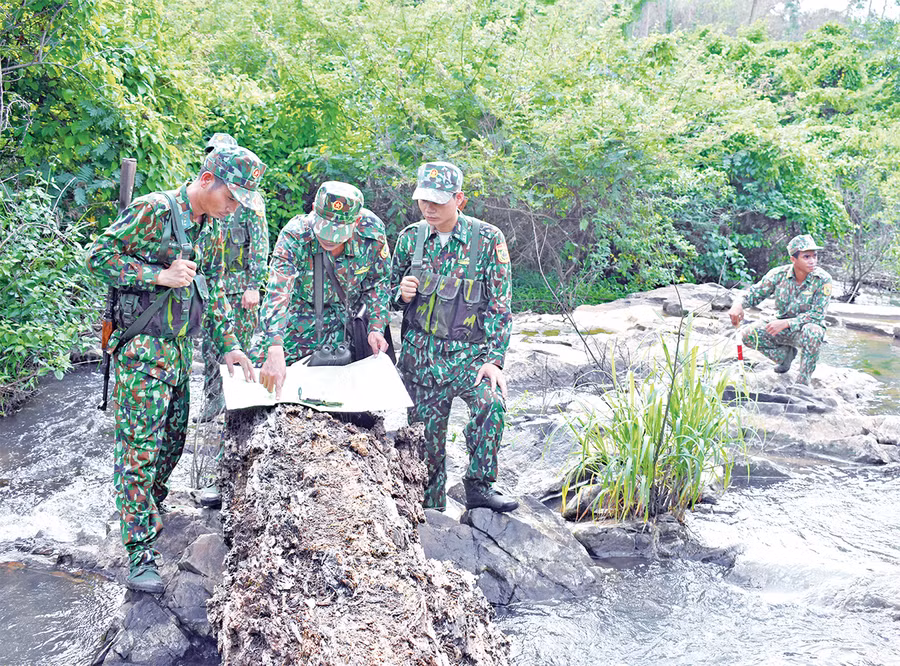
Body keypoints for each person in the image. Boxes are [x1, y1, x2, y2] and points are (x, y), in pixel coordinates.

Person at [85, 145, 262, 593]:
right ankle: (140, 551)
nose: (234, 206)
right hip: (142, 352)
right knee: (139, 452)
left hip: (180, 353)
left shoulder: (213, 227)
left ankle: (149, 510)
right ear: (206, 180)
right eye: (231, 196)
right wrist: (156, 275)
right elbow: (97, 256)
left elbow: (213, 292)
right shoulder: (154, 210)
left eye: (241, 201)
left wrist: (229, 348)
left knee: (172, 446)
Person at [391, 161, 517, 513]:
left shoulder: (488, 240)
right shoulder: (410, 239)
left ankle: (479, 486)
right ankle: (430, 507)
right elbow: (382, 297)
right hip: (421, 363)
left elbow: (500, 304)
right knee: (424, 449)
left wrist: (494, 361)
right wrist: (400, 295)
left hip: (470, 359)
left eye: (438, 202)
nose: (428, 209)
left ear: (459, 199)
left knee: (491, 405)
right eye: (423, 201)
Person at [257, 181, 391, 397]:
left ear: (356, 221)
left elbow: (378, 282)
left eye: (338, 232)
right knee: (260, 376)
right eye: (325, 229)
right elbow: (277, 292)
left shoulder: (372, 232)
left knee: (353, 397)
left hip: (346, 323)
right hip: (300, 319)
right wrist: (274, 346)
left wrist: (376, 326)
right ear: (313, 211)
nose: (329, 238)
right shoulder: (296, 235)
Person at [195, 134, 270, 509]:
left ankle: (231, 406)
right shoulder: (203, 202)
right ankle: (213, 399)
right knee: (212, 349)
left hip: (239, 286)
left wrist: (255, 284)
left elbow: (260, 243)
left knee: (238, 348)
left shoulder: (249, 203)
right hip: (211, 283)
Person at [728, 234, 832, 385]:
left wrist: (787, 323)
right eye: (806, 257)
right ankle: (785, 357)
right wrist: (738, 303)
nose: (813, 261)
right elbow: (754, 294)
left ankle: (803, 381)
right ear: (793, 259)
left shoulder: (823, 279)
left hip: (805, 329)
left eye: (814, 256)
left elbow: (818, 314)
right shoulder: (778, 275)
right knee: (748, 334)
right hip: (780, 326)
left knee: (813, 332)